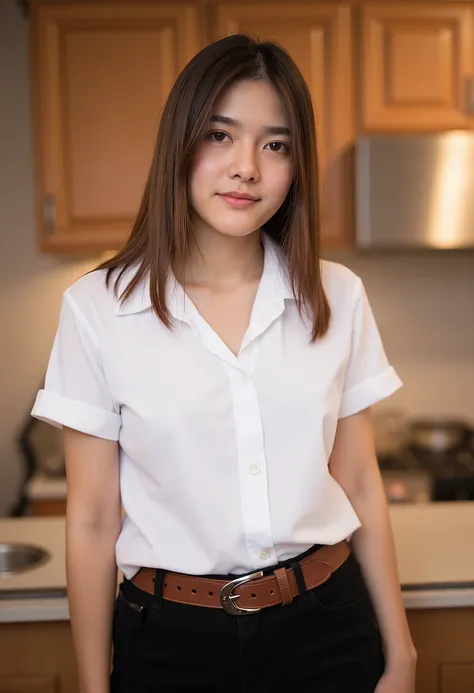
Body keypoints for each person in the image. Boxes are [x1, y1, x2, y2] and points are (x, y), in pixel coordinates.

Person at [31, 34, 416, 693]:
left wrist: (402, 652)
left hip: (329, 626)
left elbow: (358, 479)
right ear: (180, 145)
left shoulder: (338, 295)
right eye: (220, 135)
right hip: (169, 643)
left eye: (276, 144)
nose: (247, 167)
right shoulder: (96, 310)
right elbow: (92, 516)